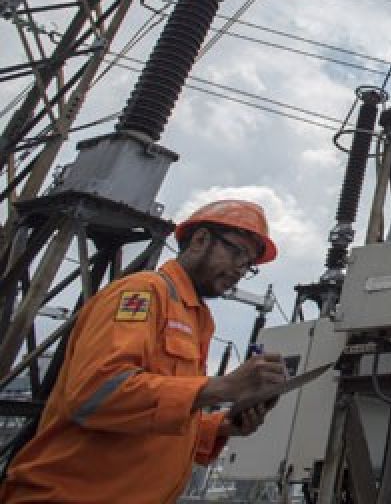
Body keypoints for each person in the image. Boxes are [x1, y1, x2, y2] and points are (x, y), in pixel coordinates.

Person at [0, 199, 289, 503]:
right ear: (201, 240)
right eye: (238, 253)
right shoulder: (143, 293)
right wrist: (223, 386)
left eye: (249, 265)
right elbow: (95, 393)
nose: (240, 270)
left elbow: (155, 415)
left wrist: (219, 428)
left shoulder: (196, 318)